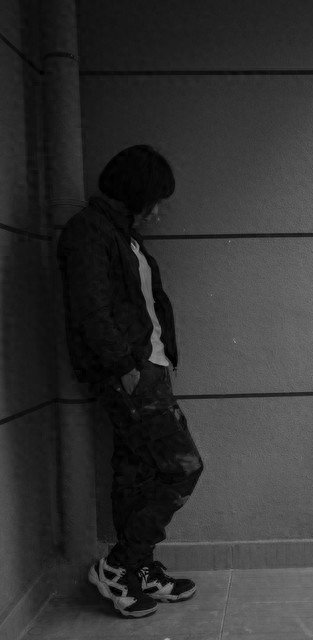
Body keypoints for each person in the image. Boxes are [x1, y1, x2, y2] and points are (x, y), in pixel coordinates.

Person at [57, 145, 204, 618]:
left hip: (148, 371)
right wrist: (126, 367)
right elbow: (91, 310)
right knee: (183, 468)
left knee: (136, 473)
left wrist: (159, 362)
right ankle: (120, 566)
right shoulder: (89, 232)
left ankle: (137, 570)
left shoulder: (124, 235)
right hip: (130, 374)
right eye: (154, 201)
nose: (157, 212)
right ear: (136, 192)